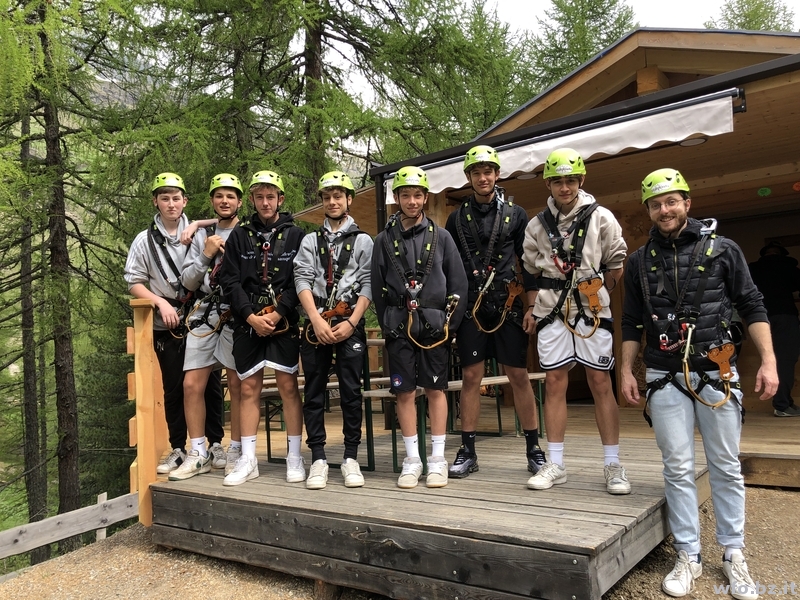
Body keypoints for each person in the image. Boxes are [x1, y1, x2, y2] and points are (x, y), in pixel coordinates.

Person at [619, 168, 779, 600]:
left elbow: (752, 304)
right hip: (663, 374)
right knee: (676, 466)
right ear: (648, 211)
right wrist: (626, 370)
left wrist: (768, 361)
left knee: (725, 464)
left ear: (687, 203)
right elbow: (632, 320)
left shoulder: (723, 249)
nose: (664, 210)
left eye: (672, 201)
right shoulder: (638, 261)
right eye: (656, 204)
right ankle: (688, 554)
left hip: (716, 371)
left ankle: (733, 552)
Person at [522, 148, 630, 495]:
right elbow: (530, 268)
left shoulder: (601, 218)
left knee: (600, 381)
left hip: (592, 308)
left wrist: (599, 291)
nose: (565, 187)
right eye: (558, 181)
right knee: (554, 381)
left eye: (571, 180)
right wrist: (534, 305)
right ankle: (555, 462)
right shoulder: (537, 225)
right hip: (552, 309)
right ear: (548, 184)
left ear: (581, 180)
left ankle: (613, 463)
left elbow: (616, 261)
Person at [444, 145, 545, 479]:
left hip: (507, 302)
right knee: (471, 377)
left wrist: (532, 305)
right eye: (476, 173)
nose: (483, 178)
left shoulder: (516, 215)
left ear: (497, 174)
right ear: (469, 177)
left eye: (488, 172)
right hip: (470, 306)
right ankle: (468, 451)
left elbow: (528, 264)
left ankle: (534, 448)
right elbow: (449, 267)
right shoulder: (456, 218)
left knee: (518, 375)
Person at [372, 166, 467, 489]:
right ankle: (412, 459)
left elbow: (458, 283)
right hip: (399, 325)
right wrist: (388, 324)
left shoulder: (442, 237)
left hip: (435, 327)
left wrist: (450, 326)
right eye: (405, 195)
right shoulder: (384, 240)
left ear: (425, 197)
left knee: (437, 389)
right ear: (396, 198)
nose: (411, 201)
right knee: (404, 391)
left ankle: (438, 459)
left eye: (417, 195)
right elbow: (377, 288)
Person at [124, 172, 225, 475]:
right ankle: (179, 447)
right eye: (165, 198)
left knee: (210, 384)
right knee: (173, 386)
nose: (171, 204)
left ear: (185, 201)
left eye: (176, 198)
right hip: (166, 321)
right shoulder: (144, 241)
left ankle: (215, 443)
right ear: (155, 201)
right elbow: (134, 281)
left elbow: (228, 217)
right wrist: (160, 302)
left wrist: (198, 223)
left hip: (201, 316)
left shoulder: (199, 233)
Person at [218, 170, 306, 486]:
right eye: (259, 197)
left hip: (284, 319)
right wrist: (250, 316)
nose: (265, 203)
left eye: (271, 197)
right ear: (252, 200)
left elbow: (301, 279)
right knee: (248, 388)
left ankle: (294, 457)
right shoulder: (239, 235)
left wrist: (280, 313)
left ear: (280, 199)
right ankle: (248, 459)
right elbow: (230, 280)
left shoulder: (296, 235)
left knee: (288, 386)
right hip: (248, 320)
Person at [294, 171, 374, 489]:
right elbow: (301, 278)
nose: (332, 201)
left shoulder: (363, 241)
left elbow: (369, 283)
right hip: (316, 321)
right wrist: (314, 319)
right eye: (327, 197)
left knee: (351, 391)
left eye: (338, 196)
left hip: (349, 321)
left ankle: (350, 457)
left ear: (348, 199)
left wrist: (353, 322)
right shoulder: (310, 241)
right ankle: (318, 458)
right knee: (313, 390)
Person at [167, 174, 243, 480]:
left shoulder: (246, 232)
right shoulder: (201, 237)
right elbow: (187, 281)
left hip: (236, 313)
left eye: (230, 196)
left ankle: (236, 448)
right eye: (219, 196)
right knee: (191, 385)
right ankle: (198, 451)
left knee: (237, 384)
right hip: (205, 313)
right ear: (212, 200)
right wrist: (206, 253)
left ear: (239, 202)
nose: (224, 201)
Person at [749, 241, 800, 417]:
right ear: (781, 254)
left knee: (768, 359)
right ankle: (782, 404)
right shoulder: (788, 267)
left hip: (758, 318)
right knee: (786, 359)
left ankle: (785, 402)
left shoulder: (753, 269)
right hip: (785, 315)